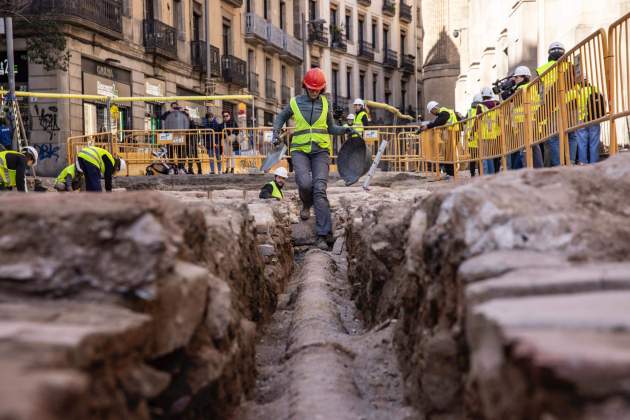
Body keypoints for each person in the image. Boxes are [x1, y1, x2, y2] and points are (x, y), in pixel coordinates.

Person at [272, 67, 356, 250]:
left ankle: (322, 234)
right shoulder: (295, 103)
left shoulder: (326, 104)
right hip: (299, 150)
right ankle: (306, 203)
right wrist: (275, 133)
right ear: (305, 87)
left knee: (319, 188)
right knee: (304, 183)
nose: (314, 92)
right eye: (311, 88)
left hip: (321, 151)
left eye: (317, 89)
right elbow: (279, 118)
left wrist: (345, 129)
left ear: (322, 89)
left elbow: (332, 128)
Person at [506, 65, 543, 169]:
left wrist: (509, 94)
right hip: (530, 121)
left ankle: (527, 170)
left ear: (523, 77)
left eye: (517, 77)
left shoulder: (523, 88)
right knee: (534, 148)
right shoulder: (530, 87)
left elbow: (516, 102)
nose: (515, 80)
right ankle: (537, 169)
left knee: (525, 149)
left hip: (525, 122)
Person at [537, 42, 566, 166]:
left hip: (552, 106)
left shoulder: (543, 69)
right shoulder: (570, 65)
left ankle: (557, 165)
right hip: (571, 103)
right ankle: (570, 162)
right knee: (571, 135)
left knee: (553, 138)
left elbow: (541, 92)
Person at [420, 100, 458, 176]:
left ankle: (451, 174)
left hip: (452, 132)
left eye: (431, 112)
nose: (432, 114)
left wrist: (427, 126)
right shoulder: (442, 113)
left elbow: (439, 121)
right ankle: (449, 173)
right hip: (451, 133)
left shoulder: (444, 112)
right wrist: (428, 126)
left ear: (434, 109)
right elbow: (436, 122)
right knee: (448, 154)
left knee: (449, 154)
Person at [466, 94, 488, 177]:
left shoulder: (469, 111)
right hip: (480, 135)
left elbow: (464, 121)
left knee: (473, 158)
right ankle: (481, 173)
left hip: (472, 137)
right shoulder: (483, 108)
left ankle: (472, 174)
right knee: (480, 157)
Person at [480, 87, 501, 174]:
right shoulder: (496, 105)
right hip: (494, 133)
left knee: (485, 156)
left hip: (484, 134)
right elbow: (498, 119)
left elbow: (478, 119)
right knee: (492, 155)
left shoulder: (480, 106)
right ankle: (493, 173)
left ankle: (486, 174)